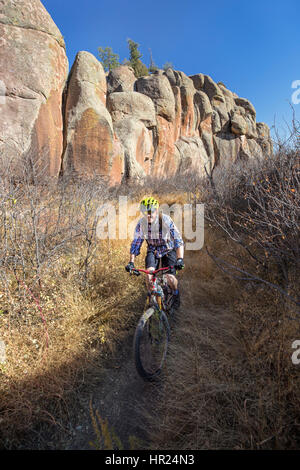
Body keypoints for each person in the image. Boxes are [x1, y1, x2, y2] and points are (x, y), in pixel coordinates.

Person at [125, 197, 184, 309]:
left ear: (156, 211)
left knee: (170, 277)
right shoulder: (141, 224)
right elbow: (136, 244)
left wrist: (180, 259)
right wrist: (131, 262)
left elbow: (178, 239)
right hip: (153, 250)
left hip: (168, 249)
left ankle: (176, 294)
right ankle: (152, 302)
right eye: (145, 212)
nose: (148, 215)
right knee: (149, 275)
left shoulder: (165, 220)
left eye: (151, 212)